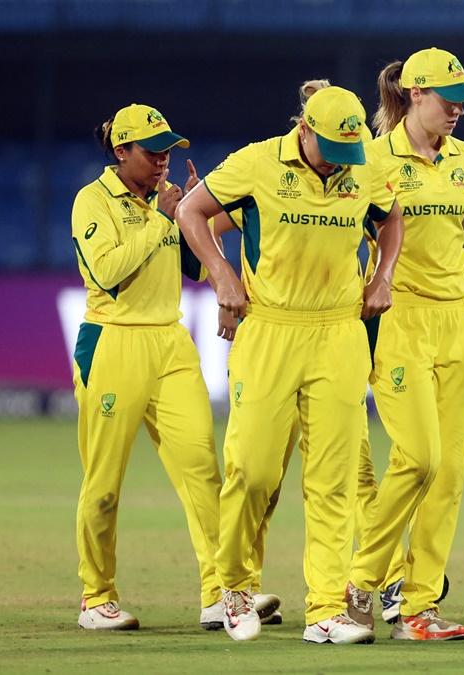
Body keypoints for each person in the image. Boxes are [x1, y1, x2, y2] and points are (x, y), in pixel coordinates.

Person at [176, 85, 405, 644]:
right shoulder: (257, 163)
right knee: (253, 471)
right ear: (304, 129)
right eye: (331, 150)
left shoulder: (363, 163)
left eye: (349, 153)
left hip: (340, 332)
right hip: (271, 330)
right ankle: (233, 586)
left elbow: (392, 218)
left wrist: (382, 275)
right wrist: (222, 274)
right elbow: (190, 210)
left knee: (333, 479)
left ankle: (325, 609)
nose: (340, 164)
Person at [343, 48, 464, 642]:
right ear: (415, 94)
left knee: (449, 474)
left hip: (456, 322)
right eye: (449, 99)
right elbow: (343, 233)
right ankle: (362, 581)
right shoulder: (373, 158)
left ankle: (418, 606)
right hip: (399, 319)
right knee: (419, 457)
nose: (459, 110)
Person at [70, 104, 222, 631]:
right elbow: (107, 271)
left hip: (171, 343)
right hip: (114, 341)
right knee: (104, 484)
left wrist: (196, 216)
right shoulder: (92, 200)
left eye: (167, 151)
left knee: (203, 470)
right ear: (121, 151)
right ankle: (97, 597)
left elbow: (197, 270)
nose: (163, 161)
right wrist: (163, 217)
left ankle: (220, 593)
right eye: (152, 152)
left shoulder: (168, 200)